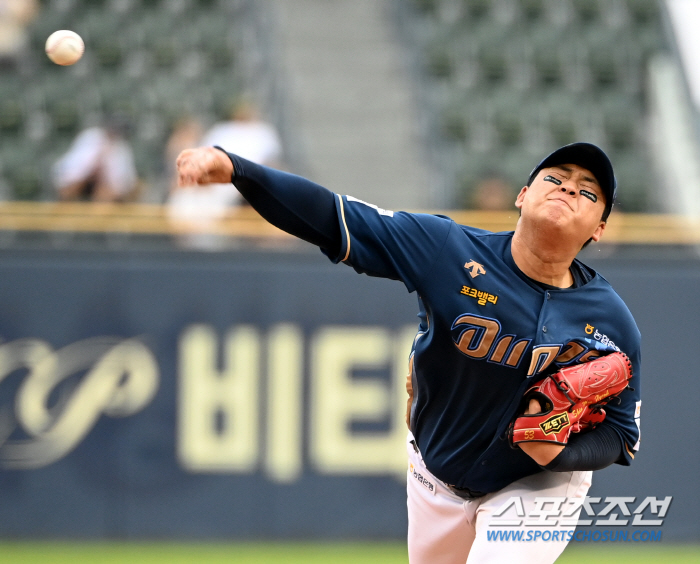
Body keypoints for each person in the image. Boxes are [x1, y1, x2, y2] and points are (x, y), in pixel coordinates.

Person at [175, 142, 641, 564]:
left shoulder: (612, 322)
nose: (567, 189)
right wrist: (238, 169)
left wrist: (555, 453)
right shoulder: (448, 250)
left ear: (598, 228)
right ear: (522, 195)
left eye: (587, 190)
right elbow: (335, 217)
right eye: (555, 178)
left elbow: (621, 434)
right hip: (435, 474)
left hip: (536, 486)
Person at [52, 117, 138, 202]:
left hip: (105, 185)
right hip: (79, 180)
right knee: (70, 189)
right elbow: (71, 169)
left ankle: (98, 214)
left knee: (106, 192)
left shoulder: (122, 148)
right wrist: (90, 172)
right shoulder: (90, 137)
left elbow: (123, 181)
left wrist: (104, 176)